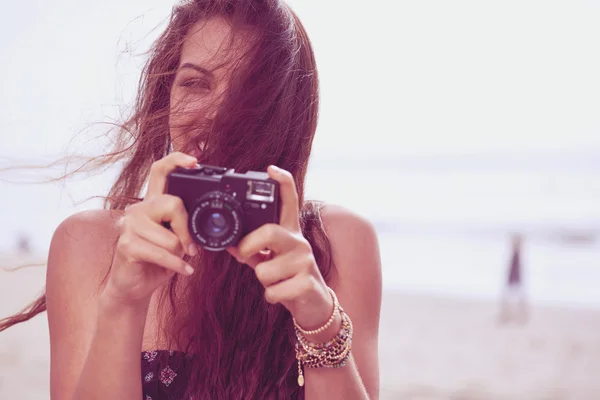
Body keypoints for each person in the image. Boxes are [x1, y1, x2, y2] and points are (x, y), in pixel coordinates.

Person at [0, 1, 382, 399]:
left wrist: (318, 318)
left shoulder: (333, 243)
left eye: (251, 91)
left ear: (288, 113)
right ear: (166, 98)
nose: (217, 114)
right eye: (195, 84)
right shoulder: (90, 244)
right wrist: (124, 302)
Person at [498, 234, 528, 324]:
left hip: (516, 278)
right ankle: (507, 315)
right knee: (509, 298)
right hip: (513, 278)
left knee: (518, 298)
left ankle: (519, 316)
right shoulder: (515, 254)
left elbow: (517, 268)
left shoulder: (517, 255)